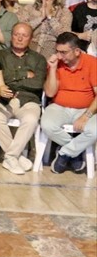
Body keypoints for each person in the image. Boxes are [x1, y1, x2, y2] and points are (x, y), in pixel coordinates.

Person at [0, 23, 47, 174]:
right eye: (16, 34)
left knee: (31, 120)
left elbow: (37, 83)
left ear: (31, 39)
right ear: (11, 36)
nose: (20, 38)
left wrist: (11, 78)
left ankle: (10, 157)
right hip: (4, 99)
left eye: (24, 35)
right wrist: (24, 74)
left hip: (29, 100)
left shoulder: (39, 59)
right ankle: (16, 158)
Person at [43, 32, 97, 173]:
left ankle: (64, 153)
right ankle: (75, 153)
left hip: (86, 108)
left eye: (64, 52)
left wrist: (86, 115)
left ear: (77, 51)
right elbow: (49, 93)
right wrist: (53, 69)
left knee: (94, 131)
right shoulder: (56, 63)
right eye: (58, 51)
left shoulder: (92, 63)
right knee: (47, 125)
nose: (59, 56)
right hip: (59, 106)